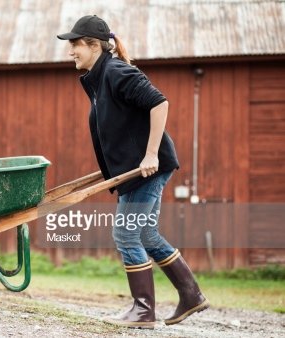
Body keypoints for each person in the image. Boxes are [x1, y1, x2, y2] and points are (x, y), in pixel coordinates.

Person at [57, 15, 209, 329]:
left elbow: (159, 103)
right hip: (135, 170)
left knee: (126, 233)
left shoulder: (116, 72)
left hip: (148, 169)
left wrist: (151, 153)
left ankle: (143, 311)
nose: (71, 51)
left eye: (75, 45)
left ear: (93, 45)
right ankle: (190, 294)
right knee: (146, 234)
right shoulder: (98, 79)